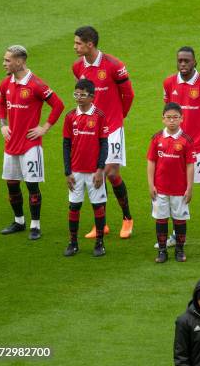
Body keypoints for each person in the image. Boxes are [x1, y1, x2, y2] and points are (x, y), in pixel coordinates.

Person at [73, 26, 135, 239]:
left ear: (90, 44)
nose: (75, 47)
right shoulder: (77, 67)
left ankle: (127, 218)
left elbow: (129, 95)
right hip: (91, 130)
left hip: (113, 128)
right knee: (94, 174)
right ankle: (102, 224)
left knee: (110, 173)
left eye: (78, 43)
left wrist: (118, 117)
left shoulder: (114, 66)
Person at [0, 45, 64, 240]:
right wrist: (3, 124)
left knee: (32, 186)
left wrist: (44, 128)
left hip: (30, 146)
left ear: (19, 62)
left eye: (7, 60)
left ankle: (35, 226)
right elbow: (1, 102)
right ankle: (18, 221)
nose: (4, 63)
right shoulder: (5, 83)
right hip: (10, 145)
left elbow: (58, 105)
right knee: (12, 184)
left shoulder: (36, 85)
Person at [162, 47, 200, 253]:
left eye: (187, 61)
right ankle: (177, 235)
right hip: (176, 148)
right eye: (179, 60)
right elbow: (169, 113)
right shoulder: (169, 83)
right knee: (176, 191)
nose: (183, 64)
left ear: (195, 62)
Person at [62, 79, 108, 257]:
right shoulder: (70, 116)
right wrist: (67, 172)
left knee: (98, 207)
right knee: (74, 206)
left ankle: (99, 243)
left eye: (82, 95)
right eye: (76, 94)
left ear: (92, 96)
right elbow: (66, 145)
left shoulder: (100, 116)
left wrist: (100, 169)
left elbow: (104, 144)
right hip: (76, 172)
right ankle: (73, 243)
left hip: (94, 172)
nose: (78, 98)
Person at [147, 103, 195, 263]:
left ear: (181, 118)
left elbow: (190, 165)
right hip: (160, 188)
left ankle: (180, 251)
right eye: (169, 117)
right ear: (163, 119)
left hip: (180, 190)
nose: (172, 121)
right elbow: (151, 162)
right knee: (161, 219)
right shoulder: (156, 138)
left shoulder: (187, 140)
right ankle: (162, 251)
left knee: (179, 220)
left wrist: (189, 187)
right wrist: (150, 184)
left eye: (175, 117)